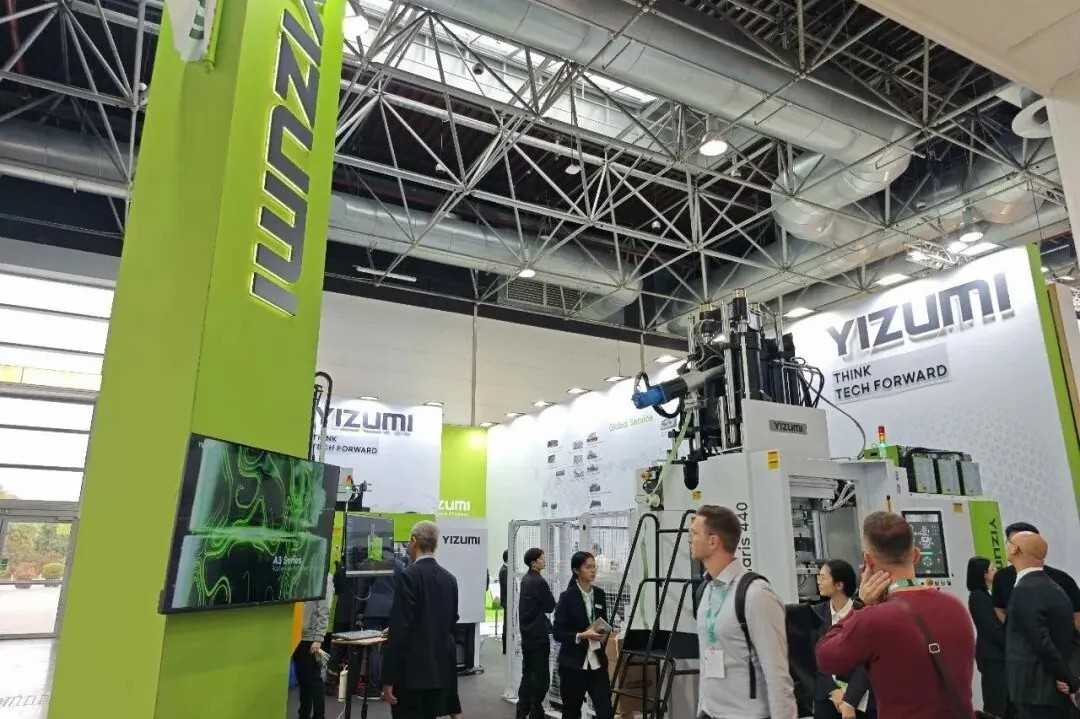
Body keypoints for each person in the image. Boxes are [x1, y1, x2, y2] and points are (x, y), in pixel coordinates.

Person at [817, 511, 975, 719]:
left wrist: (858, 605)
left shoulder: (874, 619)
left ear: (868, 561)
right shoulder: (956, 607)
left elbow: (826, 657)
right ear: (916, 555)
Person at [689, 505, 797, 719]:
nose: (690, 540)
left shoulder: (756, 594)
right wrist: (702, 708)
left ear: (713, 541)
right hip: (710, 712)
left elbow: (777, 676)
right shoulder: (706, 590)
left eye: (694, 534)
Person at [381, 521, 459, 719]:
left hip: (411, 676)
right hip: (439, 672)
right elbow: (450, 623)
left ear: (414, 541)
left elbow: (400, 630)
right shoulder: (450, 579)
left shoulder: (408, 577)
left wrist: (388, 679)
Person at [1004, 531, 1080, 719]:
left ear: (1014, 549)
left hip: (1035, 691)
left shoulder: (1026, 590)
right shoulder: (1054, 588)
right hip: (1049, 690)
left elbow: (1040, 641)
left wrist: (1067, 678)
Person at [553, 551, 614, 719]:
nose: (593, 570)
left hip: (597, 662)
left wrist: (603, 633)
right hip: (573, 664)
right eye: (588, 567)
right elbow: (557, 632)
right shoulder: (567, 597)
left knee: (606, 711)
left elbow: (603, 621)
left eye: (594, 567)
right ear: (576, 570)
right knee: (571, 712)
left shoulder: (600, 594)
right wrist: (581, 635)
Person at [813, 560, 873, 719]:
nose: (818, 581)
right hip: (826, 700)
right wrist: (833, 690)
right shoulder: (815, 614)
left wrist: (850, 700)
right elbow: (813, 657)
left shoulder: (863, 613)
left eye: (823, 577)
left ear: (839, 585)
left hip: (860, 701)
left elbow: (866, 662)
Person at [992, 522, 1080, 629]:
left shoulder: (1061, 579)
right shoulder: (1002, 577)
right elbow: (999, 608)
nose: (1013, 549)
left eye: (1019, 544)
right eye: (1010, 543)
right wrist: (1014, 630)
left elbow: (1076, 613)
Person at [517, 547, 556, 719]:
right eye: (541, 558)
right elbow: (550, 606)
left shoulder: (525, 580)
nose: (544, 560)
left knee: (528, 673)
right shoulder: (539, 582)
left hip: (527, 635)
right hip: (539, 636)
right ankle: (535, 711)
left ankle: (522, 709)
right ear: (534, 563)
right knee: (541, 677)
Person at [967, 556, 1007, 717]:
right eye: (992, 569)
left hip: (996, 655)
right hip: (992, 657)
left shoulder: (986, 595)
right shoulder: (978, 597)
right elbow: (991, 628)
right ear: (984, 574)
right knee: (996, 701)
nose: (996, 571)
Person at [294, 572, 334, 719]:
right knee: (303, 679)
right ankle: (303, 714)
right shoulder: (303, 572)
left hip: (311, 637)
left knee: (314, 680)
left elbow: (324, 609)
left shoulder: (324, 577)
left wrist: (318, 638)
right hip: (297, 635)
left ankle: (319, 715)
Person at [500, 550, 509, 655]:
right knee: (506, 625)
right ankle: (505, 648)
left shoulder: (505, 570)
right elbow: (507, 587)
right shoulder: (505, 571)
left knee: (507, 624)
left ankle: (506, 648)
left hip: (507, 601)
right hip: (507, 601)